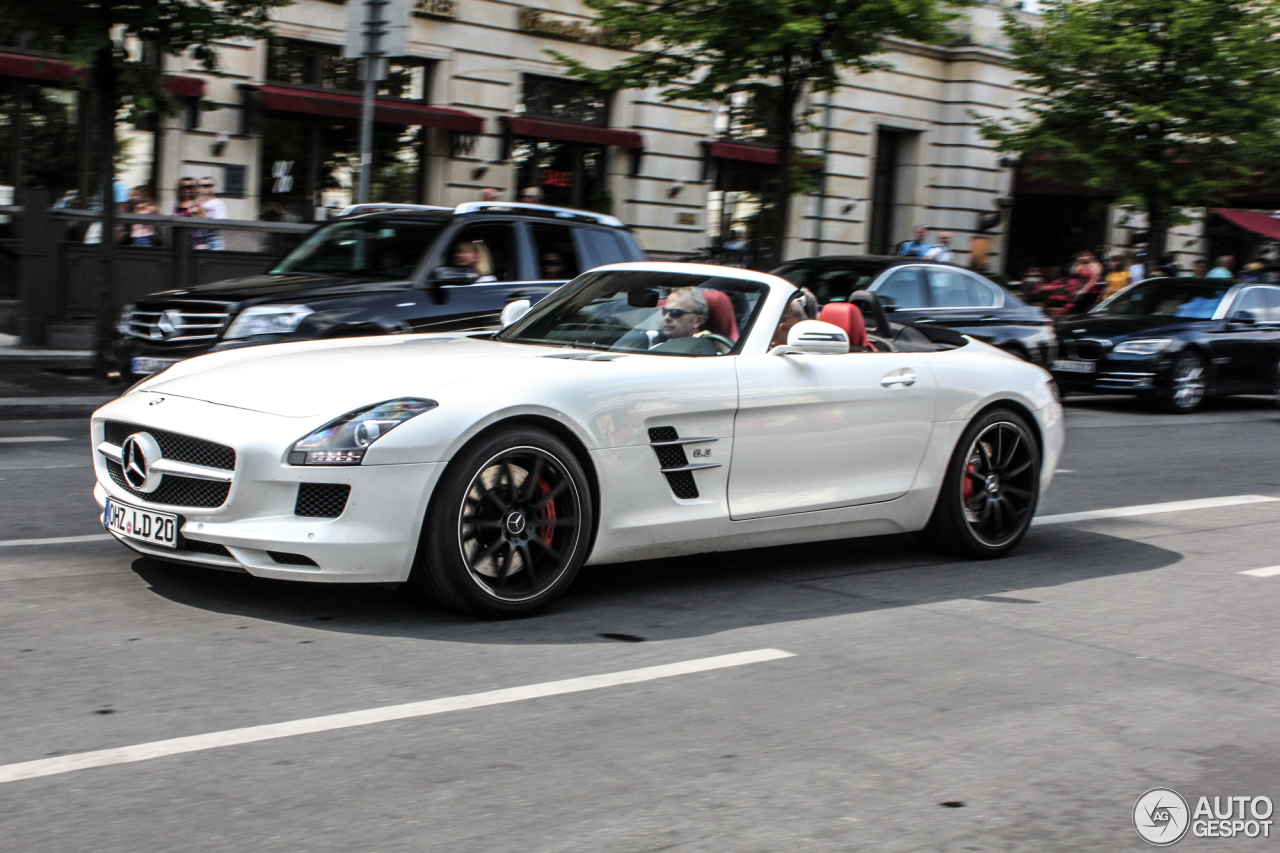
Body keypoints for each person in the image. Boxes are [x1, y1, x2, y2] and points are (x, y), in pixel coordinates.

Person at [194, 176, 227, 250]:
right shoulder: (198, 202)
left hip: (212, 239)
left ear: (214, 187)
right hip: (199, 239)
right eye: (203, 186)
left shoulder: (218, 203)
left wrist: (204, 217)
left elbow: (220, 224)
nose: (206, 188)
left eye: (209, 185)